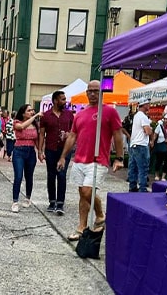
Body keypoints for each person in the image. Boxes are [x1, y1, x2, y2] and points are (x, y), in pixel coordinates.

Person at [56, 80, 124, 241]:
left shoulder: (109, 111)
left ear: (101, 92)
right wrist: (63, 157)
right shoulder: (80, 114)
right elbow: (72, 136)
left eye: (96, 90)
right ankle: (82, 227)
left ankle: (100, 215)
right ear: (86, 93)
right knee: (83, 194)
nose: (92, 94)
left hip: (98, 159)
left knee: (88, 191)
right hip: (80, 159)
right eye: (90, 91)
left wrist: (119, 158)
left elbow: (117, 135)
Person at [38, 91, 74, 215]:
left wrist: (69, 135)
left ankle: (60, 203)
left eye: (65, 99)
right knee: (51, 175)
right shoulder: (46, 116)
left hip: (65, 149)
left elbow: (74, 132)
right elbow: (42, 134)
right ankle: (52, 201)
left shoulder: (69, 115)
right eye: (62, 99)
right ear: (55, 101)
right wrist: (40, 151)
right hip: (51, 149)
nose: (65, 102)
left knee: (62, 175)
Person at [11, 104, 42, 213]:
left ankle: (28, 197)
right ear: (23, 113)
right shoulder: (17, 122)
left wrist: (40, 152)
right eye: (29, 111)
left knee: (29, 176)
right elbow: (21, 127)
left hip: (30, 151)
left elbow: (37, 140)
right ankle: (15, 201)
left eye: (32, 110)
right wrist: (36, 116)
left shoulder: (35, 124)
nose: (31, 112)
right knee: (18, 176)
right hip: (19, 151)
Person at [127, 98, 153, 192]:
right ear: (144, 105)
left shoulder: (137, 115)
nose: (149, 105)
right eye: (148, 104)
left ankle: (132, 186)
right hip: (141, 144)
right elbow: (147, 131)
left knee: (133, 167)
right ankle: (142, 188)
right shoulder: (143, 117)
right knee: (143, 167)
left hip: (134, 144)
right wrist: (150, 129)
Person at [152, 113, 167, 181]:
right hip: (161, 146)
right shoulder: (160, 126)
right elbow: (155, 135)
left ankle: (163, 176)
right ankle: (157, 175)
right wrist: (152, 142)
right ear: (164, 119)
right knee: (159, 161)